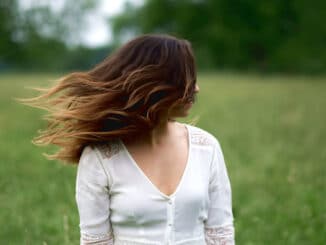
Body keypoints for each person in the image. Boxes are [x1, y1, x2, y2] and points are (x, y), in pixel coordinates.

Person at [22, 34, 234, 244]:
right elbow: (96, 241)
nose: (196, 89)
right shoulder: (100, 158)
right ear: (157, 84)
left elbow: (221, 233)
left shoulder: (206, 147)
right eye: (187, 80)